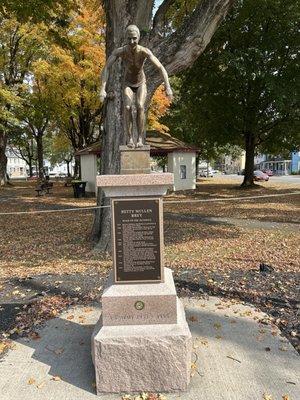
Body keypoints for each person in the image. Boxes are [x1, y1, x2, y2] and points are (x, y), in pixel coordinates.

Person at [100, 24, 173, 148]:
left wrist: (168, 86)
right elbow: (106, 67)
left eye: (134, 38)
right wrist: (102, 89)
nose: (132, 41)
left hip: (140, 83)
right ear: (126, 38)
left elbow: (160, 67)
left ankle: (139, 138)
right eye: (129, 39)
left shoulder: (144, 51)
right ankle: (129, 138)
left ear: (138, 37)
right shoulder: (121, 51)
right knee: (127, 107)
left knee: (140, 106)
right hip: (127, 83)